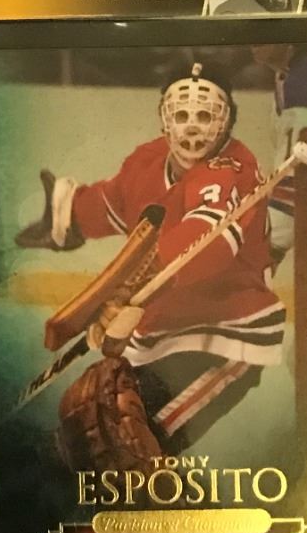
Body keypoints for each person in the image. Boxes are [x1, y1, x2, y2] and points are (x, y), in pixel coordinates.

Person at [15, 63, 284, 463]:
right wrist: (66, 217)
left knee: (134, 442)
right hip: (158, 332)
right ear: (165, 119)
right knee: (92, 433)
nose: (192, 127)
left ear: (226, 121)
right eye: (182, 115)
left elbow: (204, 243)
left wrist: (131, 290)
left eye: (205, 115)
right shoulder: (147, 160)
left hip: (227, 334)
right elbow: (114, 201)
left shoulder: (233, 168)